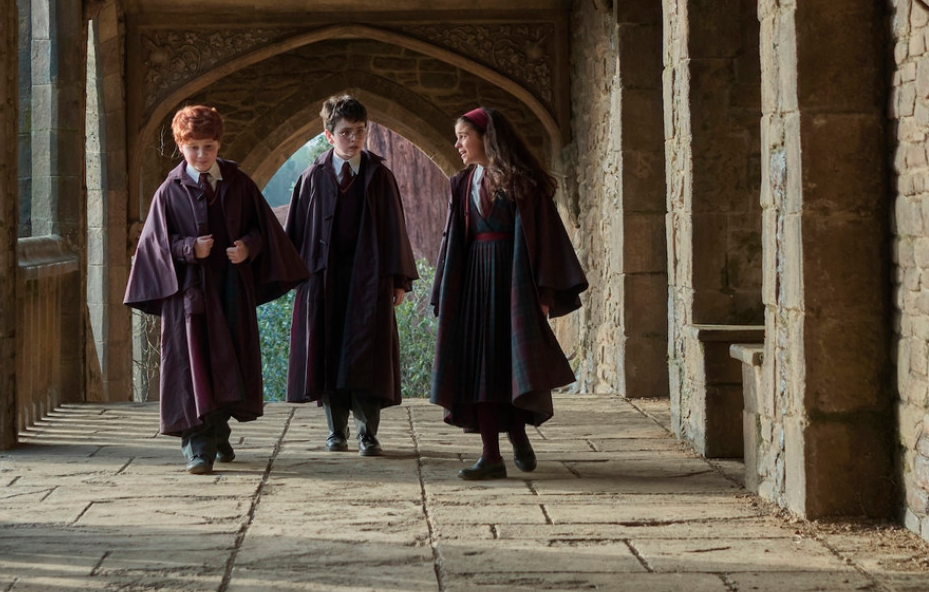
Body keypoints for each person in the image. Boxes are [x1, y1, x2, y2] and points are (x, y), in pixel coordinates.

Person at [125, 104, 308, 474]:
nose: (201, 154)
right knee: (192, 367)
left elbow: (264, 230)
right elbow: (154, 245)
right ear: (181, 146)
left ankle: (219, 432)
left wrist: (248, 248)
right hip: (189, 297)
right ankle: (198, 447)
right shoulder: (169, 191)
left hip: (230, 291)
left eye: (208, 146)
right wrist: (189, 248)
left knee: (228, 364)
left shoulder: (239, 183)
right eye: (193, 147)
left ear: (218, 143)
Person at [430, 106, 588, 481]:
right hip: (473, 284)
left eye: (464, 136)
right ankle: (491, 456)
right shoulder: (462, 184)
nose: (458, 145)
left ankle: (517, 434)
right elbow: (454, 241)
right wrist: (447, 293)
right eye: (457, 137)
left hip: (513, 282)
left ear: (487, 138)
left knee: (509, 363)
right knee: (479, 367)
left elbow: (543, 239)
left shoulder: (522, 183)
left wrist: (544, 293)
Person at [284, 94, 420, 455]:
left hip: (369, 281)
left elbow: (395, 230)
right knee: (329, 354)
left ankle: (368, 433)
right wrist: (297, 280)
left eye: (360, 131)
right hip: (324, 281)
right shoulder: (312, 178)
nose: (354, 138)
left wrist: (398, 280)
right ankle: (336, 431)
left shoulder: (380, 177)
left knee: (366, 356)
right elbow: (296, 233)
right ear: (329, 135)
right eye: (345, 132)